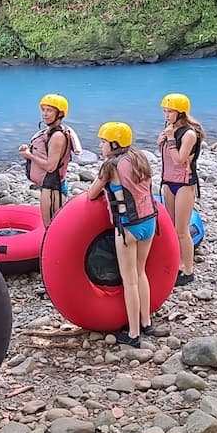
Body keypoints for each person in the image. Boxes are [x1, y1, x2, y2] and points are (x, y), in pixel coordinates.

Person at [88, 122, 157, 347]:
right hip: (149, 222)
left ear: (114, 144)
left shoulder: (110, 166)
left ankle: (134, 334)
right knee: (141, 273)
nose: (100, 145)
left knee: (129, 282)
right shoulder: (139, 158)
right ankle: (146, 322)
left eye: (103, 142)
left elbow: (92, 194)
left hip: (128, 226)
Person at [158, 93, 205, 286]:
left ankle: (188, 270)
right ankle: (175, 264)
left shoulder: (189, 134)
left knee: (181, 230)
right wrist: (163, 138)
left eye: (170, 112)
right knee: (170, 225)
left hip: (185, 184)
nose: (166, 115)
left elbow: (179, 159)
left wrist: (169, 140)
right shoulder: (170, 130)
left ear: (181, 113)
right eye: (165, 112)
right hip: (168, 182)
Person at [19, 93, 74, 228]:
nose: (44, 114)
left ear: (59, 114)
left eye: (49, 110)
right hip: (49, 186)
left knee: (51, 228)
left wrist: (29, 156)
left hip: (53, 188)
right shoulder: (49, 132)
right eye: (43, 110)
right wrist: (30, 150)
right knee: (52, 227)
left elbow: (51, 166)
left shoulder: (57, 136)